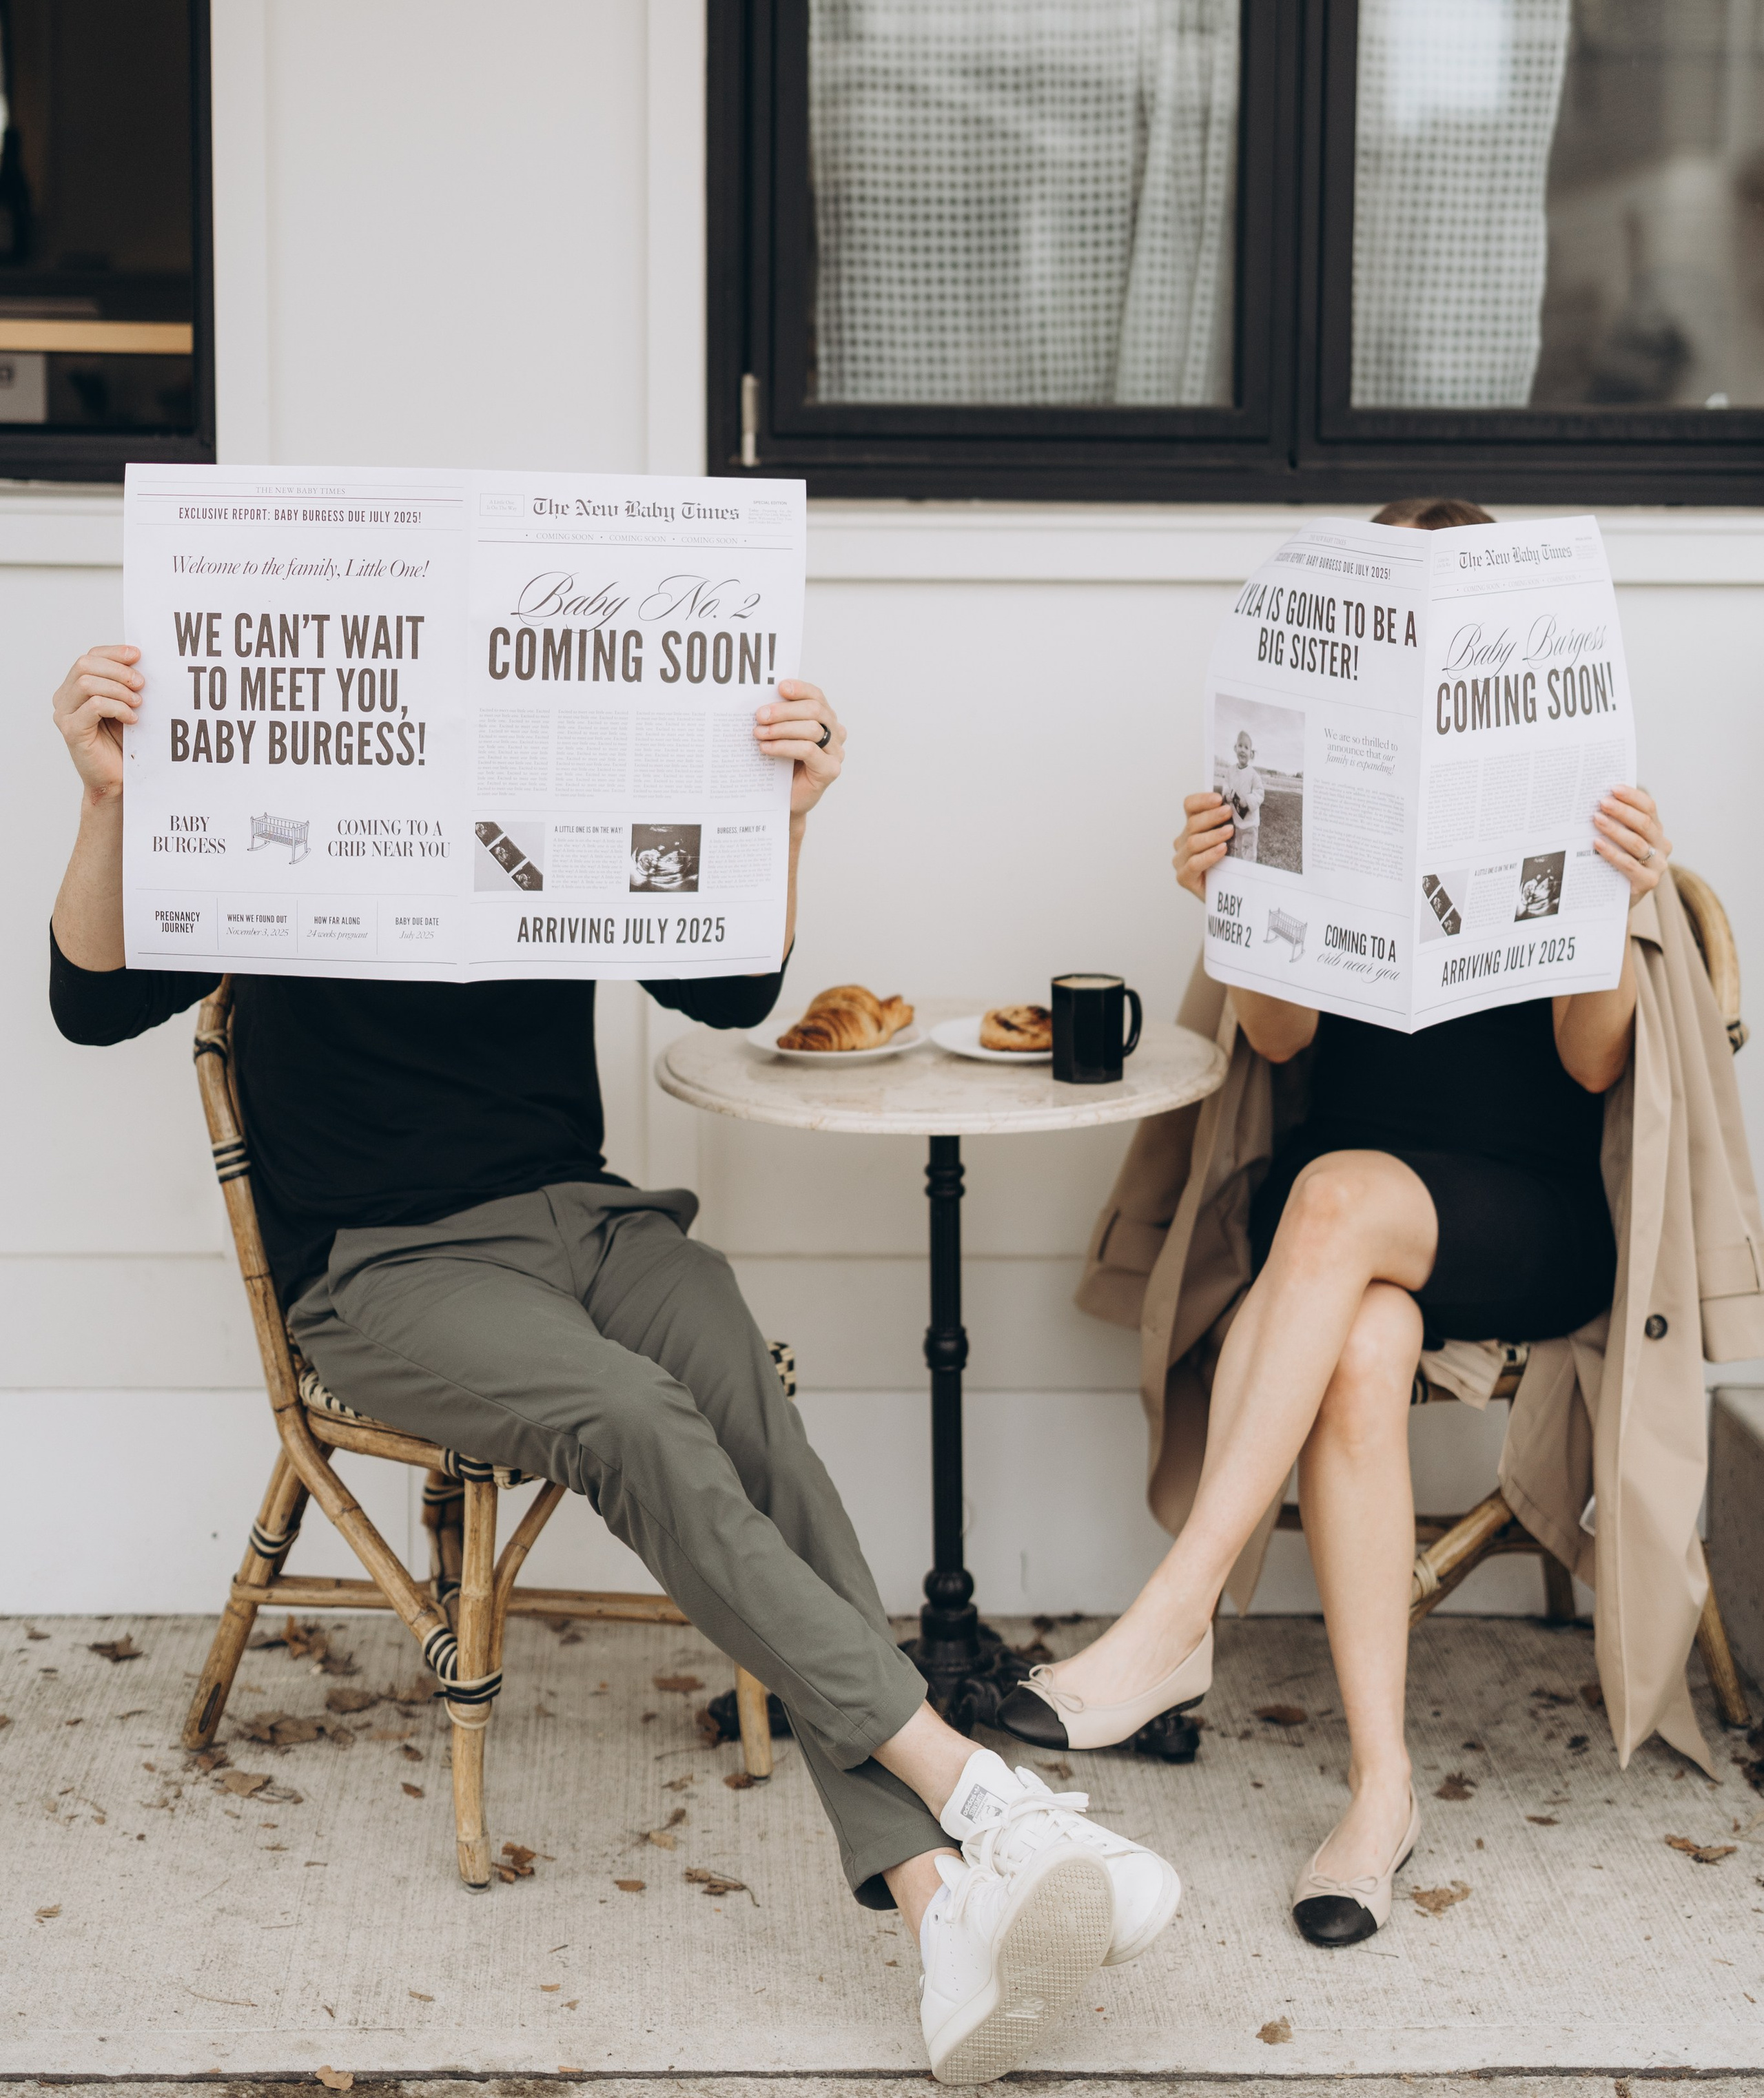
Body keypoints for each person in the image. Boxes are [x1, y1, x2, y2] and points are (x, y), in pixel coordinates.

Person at [48, 641, 1179, 2084]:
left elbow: (722, 988)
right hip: (384, 1266)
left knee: (748, 1417)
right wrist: (105, 800)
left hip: (587, 1221)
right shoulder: (267, 795)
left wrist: (784, 808)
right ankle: (976, 1793)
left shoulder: (542, 779)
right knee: (630, 1415)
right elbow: (91, 1004)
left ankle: (936, 1911)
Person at [1000, 496, 1674, 1949]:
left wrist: (1612, 906)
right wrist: (1239, 895)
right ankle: (1378, 1795)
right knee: (1361, 1342)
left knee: (1333, 1192)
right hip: (1348, 1248)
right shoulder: (1306, 782)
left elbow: (1592, 1065)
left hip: (1524, 1215)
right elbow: (1282, 1040)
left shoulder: (1568, 787)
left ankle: (1172, 1620)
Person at [1220, 730, 1265, 865]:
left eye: (1246, 747)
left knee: (1248, 854)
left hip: (1250, 824)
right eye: (1240, 746)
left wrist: (1249, 800)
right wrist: (1227, 794)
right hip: (1238, 823)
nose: (1242, 750)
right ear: (1235, 748)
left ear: (1251, 754)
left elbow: (1260, 793)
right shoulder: (1230, 771)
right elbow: (1227, 784)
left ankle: (1249, 871)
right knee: (1239, 850)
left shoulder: (1253, 775)